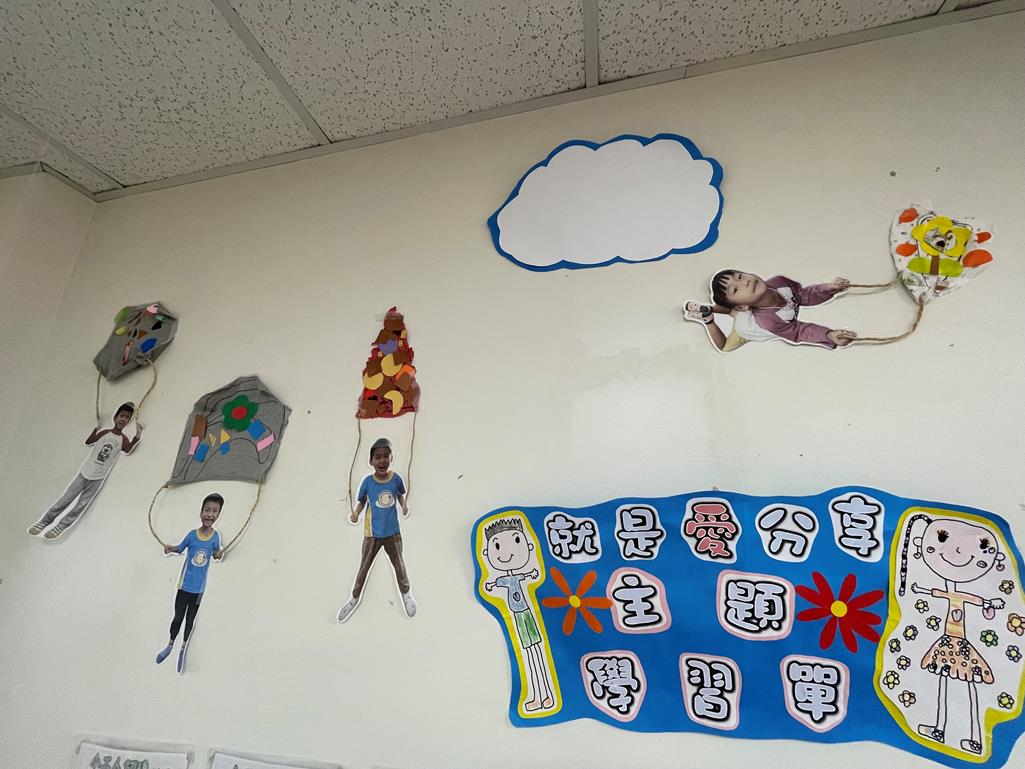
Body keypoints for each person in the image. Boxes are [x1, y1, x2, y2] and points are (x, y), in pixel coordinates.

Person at [898, 513, 1006, 755]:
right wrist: (919, 589)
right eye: (942, 538)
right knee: (947, 683)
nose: (958, 552)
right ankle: (943, 729)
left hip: (959, 645)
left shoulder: (965, 595)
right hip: (949, 644)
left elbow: (976, 599)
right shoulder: (952, 592)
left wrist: (992, 603)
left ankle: (975, 737)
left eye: (981, 545)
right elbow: (937, 592)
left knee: (968, 686)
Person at [28, 402, 142, 540]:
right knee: (66, 499)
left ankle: (62, 526)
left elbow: (128, 449)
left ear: (129, 421)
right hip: (85, 473)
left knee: (81, 505)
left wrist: (138, 434)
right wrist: (95, 428)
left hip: (98, 478)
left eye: (127, 417)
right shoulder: (105, 433)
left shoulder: (123, 439)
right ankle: (45, 521)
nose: (123, 419)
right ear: (115, 417)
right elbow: (89, 441)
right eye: (121, 416)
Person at [337, 438, 416, 622]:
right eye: (378, 457)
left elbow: (400, 495)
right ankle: (354, 598)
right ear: (371, 461)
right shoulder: (367, 482)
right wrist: (356, 513)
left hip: (393, 532)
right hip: (372, 534)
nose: (382, 460)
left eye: (386, 456)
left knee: (399, 565)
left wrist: (404, 506)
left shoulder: (396, 479)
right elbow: (362, 501)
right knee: (364, 567)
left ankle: (406, 595)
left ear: (391, 458)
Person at [483, 516, 555, 712]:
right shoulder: (505, 580)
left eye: (516, 541)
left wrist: (532, 575)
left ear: (529, 547)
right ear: (486, 553)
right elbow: (493, 584)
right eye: (497, 546)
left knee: (536, 653)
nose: (506, 554)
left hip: (526, 615)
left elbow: (529, 575)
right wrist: (490, 585)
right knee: (530, 655)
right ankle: (538, 696)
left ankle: (546, 694)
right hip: (518, 618)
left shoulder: (517, 577)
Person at [684, 270, 857, 351]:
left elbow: (801, 295)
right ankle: (708, 318)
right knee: (725, 346)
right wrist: (828, 335)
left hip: (746, 308)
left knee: (733, 309)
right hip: (748, 328)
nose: (744, 282)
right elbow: (800, 331)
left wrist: (828, 288)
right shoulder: (770, 323)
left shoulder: (779, 282)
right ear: (743, 306)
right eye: (736, 289)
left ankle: (712, 308)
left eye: (740, 276)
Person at [155, 493, 224, 674]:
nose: (210, 514)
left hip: (199, 590)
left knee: (190, 620)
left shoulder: (215, 537)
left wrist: (219, 555)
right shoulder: (192, 535)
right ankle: (170, 644)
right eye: (207, 510)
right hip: (184, 587)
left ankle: (183, 648)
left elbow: (216, 553)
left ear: (219, 514)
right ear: (201, 512)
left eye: (215, 511)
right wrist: (170, 548)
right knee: (178, 617)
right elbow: (180, 548)